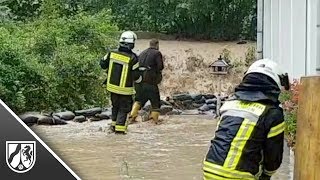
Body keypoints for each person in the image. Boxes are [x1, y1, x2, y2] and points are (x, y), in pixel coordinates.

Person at [203, 59, 290, 180]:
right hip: (239, 175)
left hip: (210, 168)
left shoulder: (229, 103)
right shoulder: (272, 114)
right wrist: (267, 175)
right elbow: (273, 156)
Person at [99, 31, 141, 134]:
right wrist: (140, 80)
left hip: (112, 88)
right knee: (124, 109)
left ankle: (113, 126)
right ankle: (120, 132)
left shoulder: (111, 53)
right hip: (125, 91)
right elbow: (136, 76)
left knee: (115, 107)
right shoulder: (133, 58)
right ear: (131, 44)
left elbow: (102, 64)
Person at [128, 39, 164, 124]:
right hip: (150, 82)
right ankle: (154, 120)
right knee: (155, 102)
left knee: (139, 100)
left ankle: (132, 117)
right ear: (157, 45)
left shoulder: (142, 53)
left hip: (139, 82)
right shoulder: (157, 53)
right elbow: (160, 67)